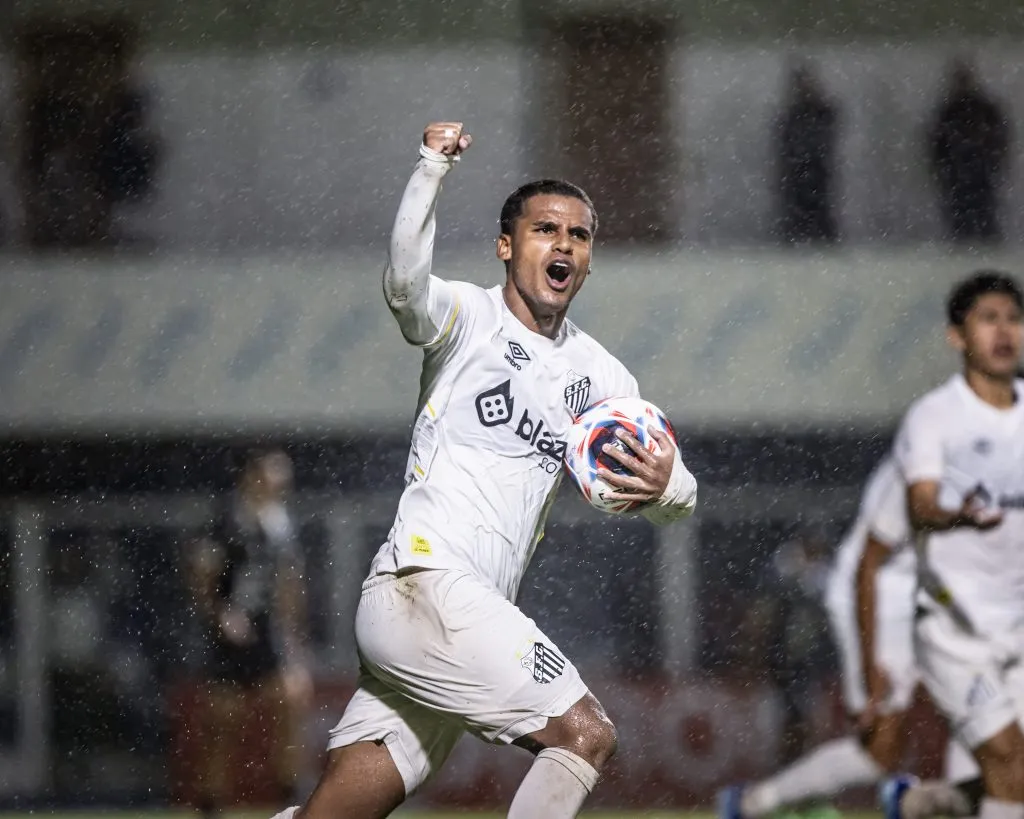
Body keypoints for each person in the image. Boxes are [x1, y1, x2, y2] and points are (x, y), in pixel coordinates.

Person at [267, 122, 698, 819]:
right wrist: (430, 167)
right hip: (429, 583)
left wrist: (668, 486)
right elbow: (404, 282)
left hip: (436, 619)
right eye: (544, 229)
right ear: (506, 246)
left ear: (589, 261)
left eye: (579, 236)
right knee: (585, 734)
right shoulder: (468, 317)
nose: (563, 243)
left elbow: (678, 494)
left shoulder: (604, 376)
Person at [887, 270, 1024, 819]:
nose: (1004, 332)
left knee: (1012, 773)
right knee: (1010, 762)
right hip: (955, 630)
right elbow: (921, 504)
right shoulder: (936, 416)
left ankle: (923, 805)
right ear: (957, 336)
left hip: (1019, 623)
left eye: (1013, 319)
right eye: (987, 319)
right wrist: (957, 516)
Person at [719, 456, 922, 819]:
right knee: (805, 732)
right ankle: (783, 799)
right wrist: (753, 655)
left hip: (806, 658)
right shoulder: (790, 569)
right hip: (786, 659)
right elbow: (765, 615)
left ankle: (787, 797)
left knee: (818, 731)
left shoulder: (816, 571)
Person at [182, 449, 312, 817]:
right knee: (223, 722)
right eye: (274, 477)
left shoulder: (281, 523)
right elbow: (201, 575)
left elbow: (289, 584)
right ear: (253, 477)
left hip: (267, 633)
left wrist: (294, 643)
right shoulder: (224, 520)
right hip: (228, 637)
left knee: (289, 707)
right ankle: (210, 806)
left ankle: (290, 801)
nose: (282, 486)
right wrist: (220, 614)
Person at [928, 61, 1011, 244]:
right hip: (960, 169)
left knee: (982, 209)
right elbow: (938, 141)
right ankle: (969, 242)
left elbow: (998, 136)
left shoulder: (976, 108)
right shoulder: (954, 109)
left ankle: (981, 242)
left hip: (976, 168)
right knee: (963, 211)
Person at [774, 62, 839, 245]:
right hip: (798, 175)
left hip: (815, 173)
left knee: (819, 216)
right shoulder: (794, 115)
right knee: (798, 218)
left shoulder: (819, 113)